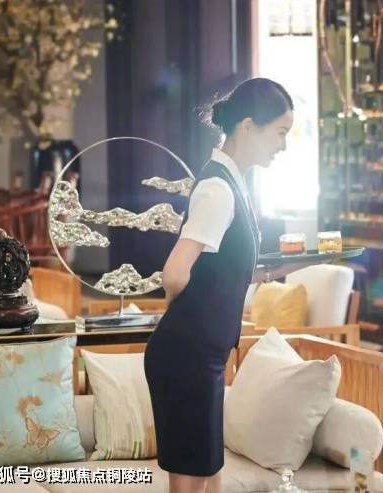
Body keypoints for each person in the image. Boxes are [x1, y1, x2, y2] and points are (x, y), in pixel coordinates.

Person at [144, 77, 304, 493]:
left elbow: (228, 272)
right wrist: (189, 316)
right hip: (187, 356)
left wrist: (295, 264)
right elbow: (174, 273)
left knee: (210, 474)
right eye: (280, 133)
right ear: (249, 126)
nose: (283, 145)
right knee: (192, 482)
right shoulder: (218, 189)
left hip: (203, 357)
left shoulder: (235, 183)